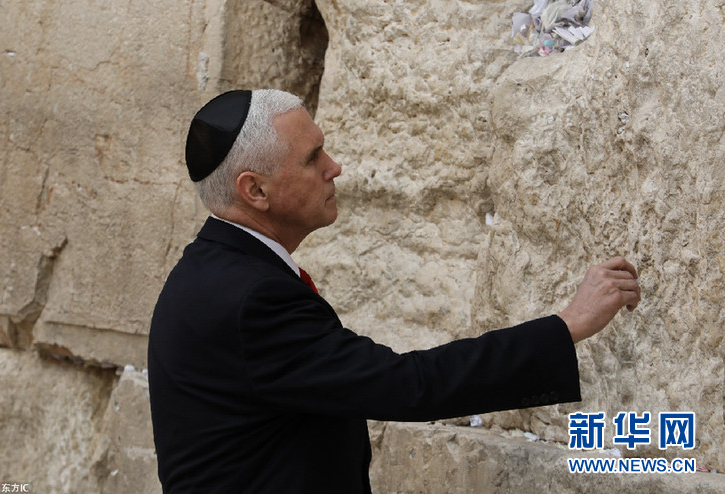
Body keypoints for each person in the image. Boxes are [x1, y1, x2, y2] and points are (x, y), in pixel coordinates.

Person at [147, 89, 640, 493]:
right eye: (313, 158)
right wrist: (566, 327)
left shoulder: (214, 271)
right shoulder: (251, 299)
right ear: (255, 190)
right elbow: (407, 386)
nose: (334, 167)